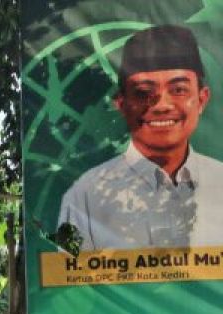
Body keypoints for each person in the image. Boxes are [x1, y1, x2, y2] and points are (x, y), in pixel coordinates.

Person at [59, 24, 223, 251]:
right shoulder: (86, 196)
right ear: (121, 104)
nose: (162, 106)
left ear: (202, 99)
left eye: (178, 90)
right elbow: (69, 280)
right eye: (144, 93)